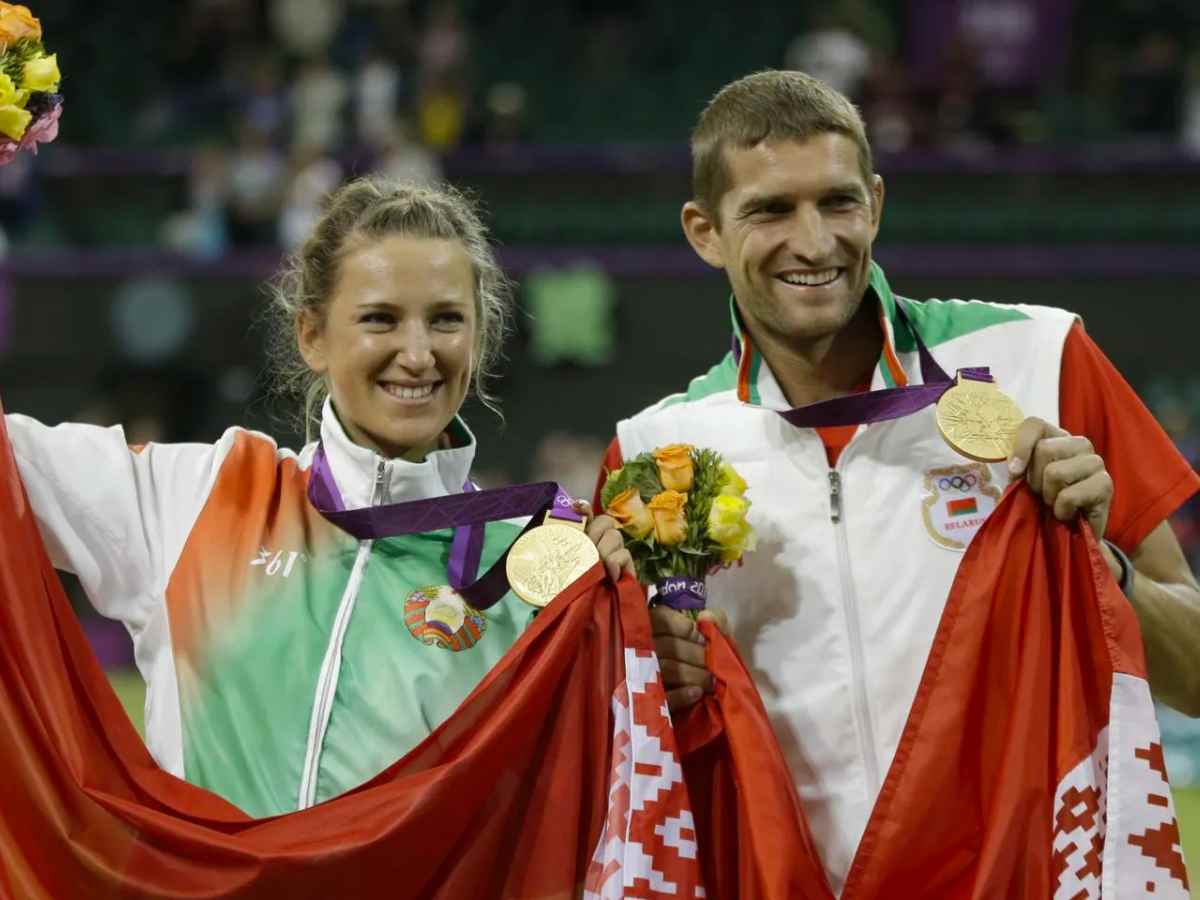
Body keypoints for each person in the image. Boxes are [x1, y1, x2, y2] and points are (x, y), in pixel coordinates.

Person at [598, 70, 1200, 893]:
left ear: (875, 204)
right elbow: (615, 754)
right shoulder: (654, 454)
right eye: (771, 210)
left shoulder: (1042, 360)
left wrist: (1108, 574)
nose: (813, 243)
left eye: (838, 203)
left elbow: (1196, 676)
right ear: (704, 231)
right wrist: (648, 679)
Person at [6, 176, 631, 819]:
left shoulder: (533, 565)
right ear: (313, 336)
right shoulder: (198, 497)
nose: (417, 355)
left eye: (446, 320)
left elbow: (589, 794)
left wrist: (644, 624)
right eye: (379, 319)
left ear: (478, 339)